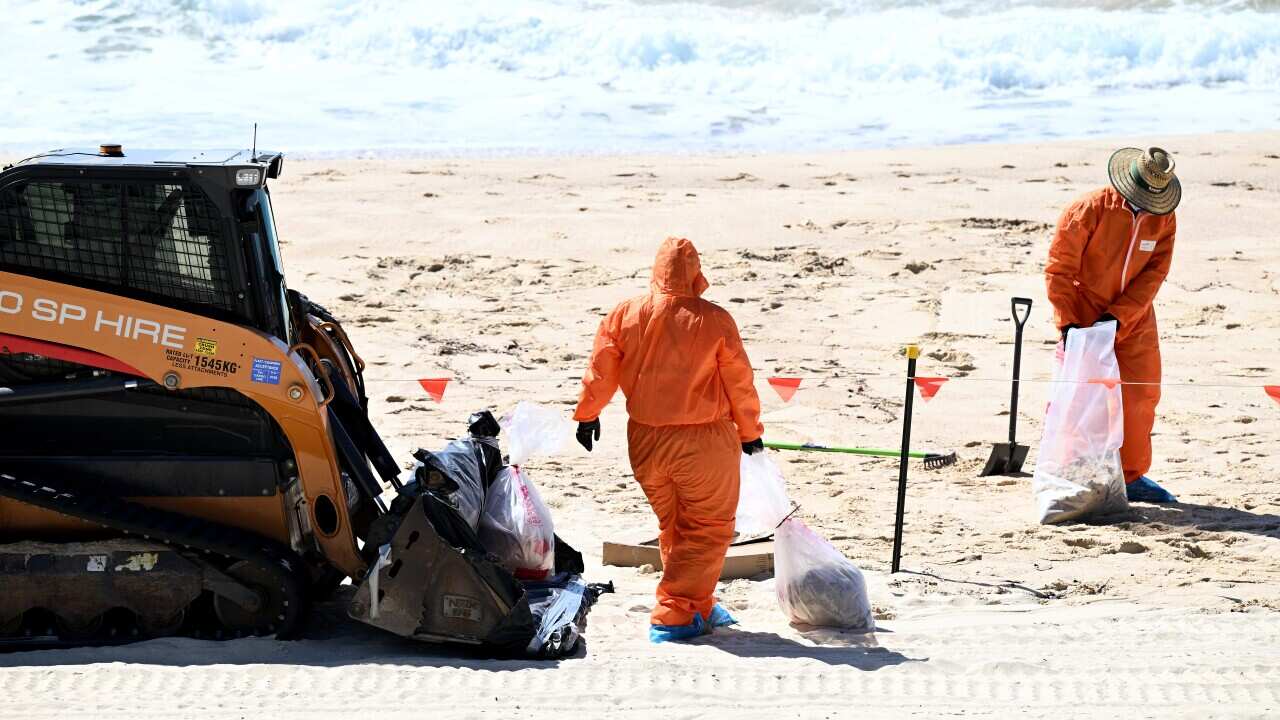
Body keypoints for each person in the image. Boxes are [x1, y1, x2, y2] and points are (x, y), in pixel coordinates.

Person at [573, 236, 764, 643]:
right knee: (709, 528)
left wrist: (587, 414)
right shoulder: (714, 319)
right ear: (695, 271)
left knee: (675, 526)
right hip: (702, 442)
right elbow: (739, 383)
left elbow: (601, 368)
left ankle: (700, 603)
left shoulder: (625, 314)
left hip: (645, 441)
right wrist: (750, 432)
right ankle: (674, 613)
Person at [1045, 147, 1180, 503]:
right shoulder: (1088, 209)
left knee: (1141, 396)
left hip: (1134, 320)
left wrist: (1121, 316)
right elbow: (1060, 270)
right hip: (1086, 317)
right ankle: (1076, 471)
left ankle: (1132, 477)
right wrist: (1069, 323)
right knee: (1082, 399)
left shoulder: (1164, 217)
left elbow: (1155, 272)